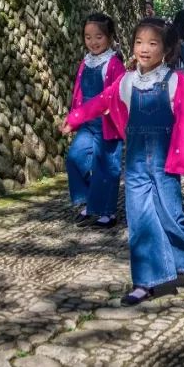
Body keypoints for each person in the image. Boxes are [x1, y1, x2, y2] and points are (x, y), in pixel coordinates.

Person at [61, 18, 184, 305]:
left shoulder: (177, 82)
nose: (144, 49)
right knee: (139, 220)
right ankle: (145, 282)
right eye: (139, 42)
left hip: (165, 167)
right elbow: (101, 101)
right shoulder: (127, 81)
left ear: (166, 49)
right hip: (136, 166)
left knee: (170, 217)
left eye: (153, 43)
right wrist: (75, 118)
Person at [66, 13, 126, 227]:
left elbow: (119, 93)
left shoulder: (114, 64)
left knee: (106, 167)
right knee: (74, 157)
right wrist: (74, 117)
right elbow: (79, 92)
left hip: (108, 125)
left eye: (98, 37)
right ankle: (92, 199)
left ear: (109, 37)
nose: (93, 42)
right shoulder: (86, 62)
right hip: (87, 124)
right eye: (88, 37)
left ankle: (107, 212)